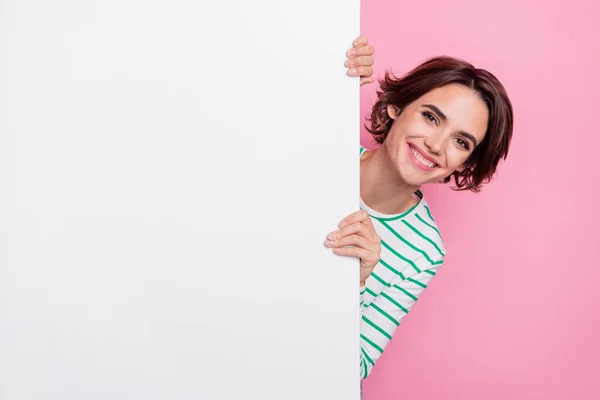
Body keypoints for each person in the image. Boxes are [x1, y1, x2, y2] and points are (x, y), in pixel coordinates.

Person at [324, 36, 514, 382]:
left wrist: (357, 280)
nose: (435, 144)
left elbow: (352, 372)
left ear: (463, 163)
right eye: (430, 117)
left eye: (461, 142)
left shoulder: (425, 252)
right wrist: (329, 74)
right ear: (396, 106)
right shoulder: (321, 155)